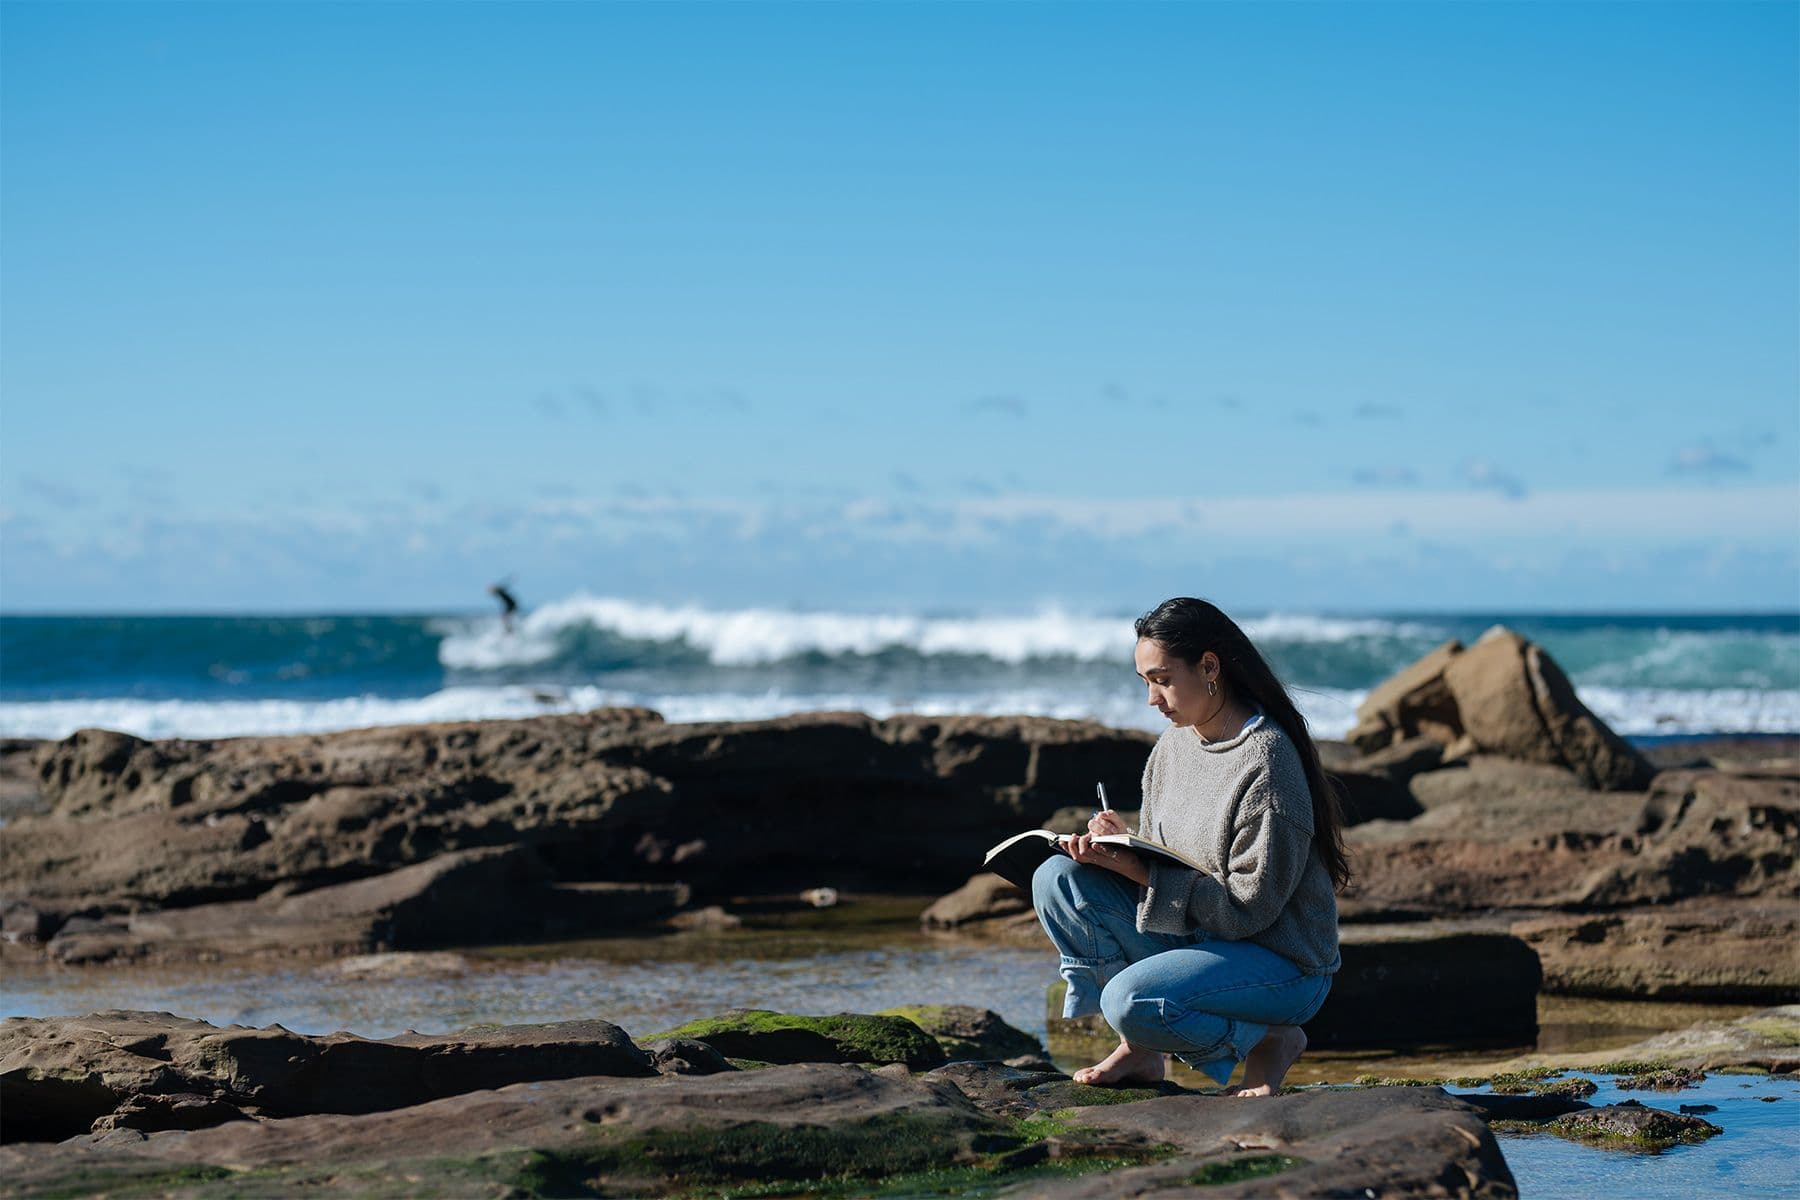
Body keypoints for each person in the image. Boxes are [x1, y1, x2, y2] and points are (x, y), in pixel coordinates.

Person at [1031, 597, 1348, 1096]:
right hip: (1201, 942)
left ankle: (1268, 1040)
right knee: (1058, 880)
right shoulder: (1173, 747)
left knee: (1129, 1000)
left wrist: (1138, 870)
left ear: (1209, 667)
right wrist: (1120, 843)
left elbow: (1247, 911)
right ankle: (1141, 1050)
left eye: (1161, 680)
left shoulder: (1267, 765)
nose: (1152, 700)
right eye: (1145, 683)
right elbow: (1171, 852)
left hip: (1279, 965)